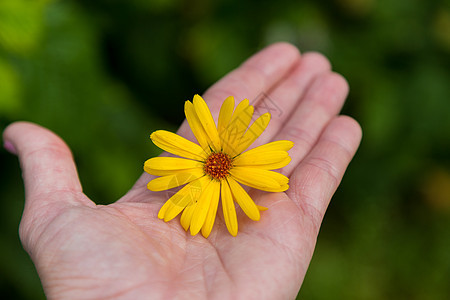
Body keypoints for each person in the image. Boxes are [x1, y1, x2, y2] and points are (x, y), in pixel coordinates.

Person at [2, 43, 361, 299]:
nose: (216, 165)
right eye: (215, 164)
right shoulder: (207, 164)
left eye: (217, 164)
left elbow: (251, 179)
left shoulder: (226, 161)